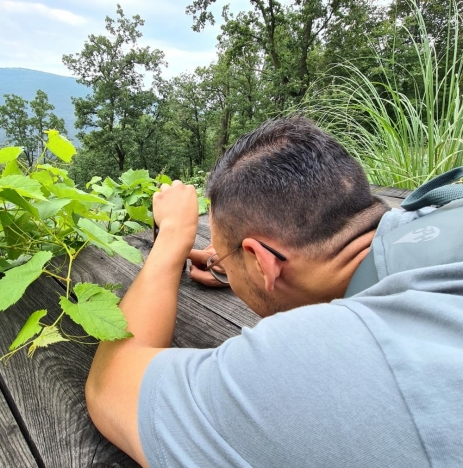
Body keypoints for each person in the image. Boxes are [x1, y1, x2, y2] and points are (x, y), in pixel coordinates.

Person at [85, 116, 463, 468]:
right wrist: (238, 267)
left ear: (261, 261)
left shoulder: (309, 366)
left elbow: (112, 385)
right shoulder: (438, 211)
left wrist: (172, 237)